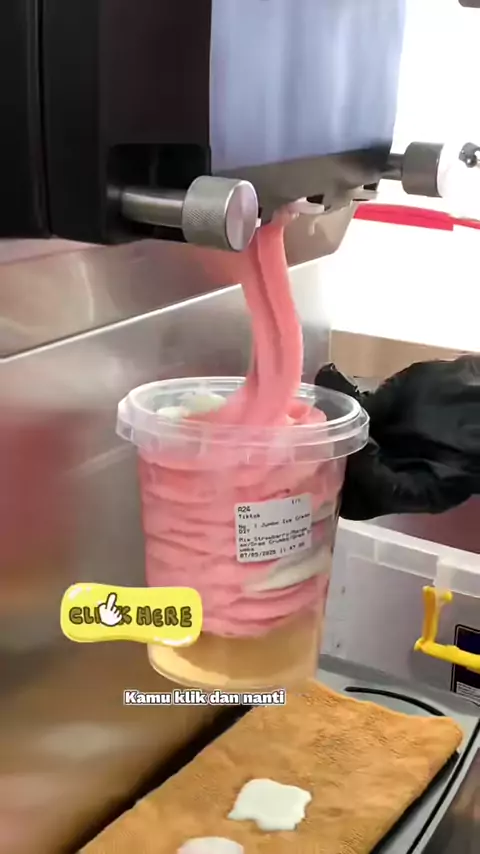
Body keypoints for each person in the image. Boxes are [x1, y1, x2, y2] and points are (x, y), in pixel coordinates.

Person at [315, 355, 480, 520]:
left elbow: (386, 488)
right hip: (329, 473)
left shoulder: (453, 480)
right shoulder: (457, 375)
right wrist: (354, 413)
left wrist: (354, 426)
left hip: (331, 493)